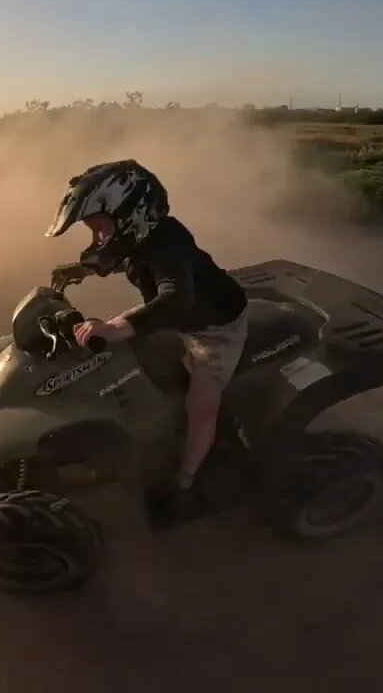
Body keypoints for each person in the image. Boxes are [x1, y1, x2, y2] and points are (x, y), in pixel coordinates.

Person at [44, 159, 249, 521]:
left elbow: (175, 298)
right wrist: (80, 270)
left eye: (98, 229)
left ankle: (187, 482)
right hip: (180, 320)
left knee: (201, 407)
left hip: (214, 330)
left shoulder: (169, 243)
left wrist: (116, 327)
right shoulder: (137, 236)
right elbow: (119, 259)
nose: (96, 239)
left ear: (129, 216)